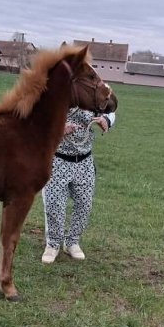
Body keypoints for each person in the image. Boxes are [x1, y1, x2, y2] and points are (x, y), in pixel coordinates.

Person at [41, 97, 117, 263]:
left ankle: (72, 242)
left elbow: (111, 109)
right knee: (54, 204)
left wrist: (106, 120)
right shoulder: (56, 92)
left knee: (84, 204)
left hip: (84, 161)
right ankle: (53, 244)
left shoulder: (91, 93)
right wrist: (58, 129)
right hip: (57, 159)